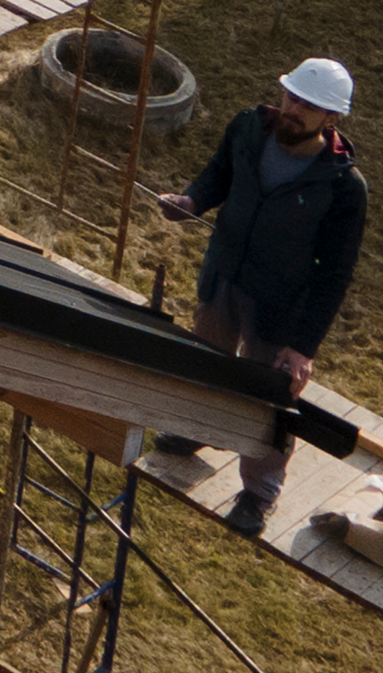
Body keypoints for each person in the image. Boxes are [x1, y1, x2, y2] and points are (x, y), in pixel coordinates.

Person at [152, 55, 371, 533]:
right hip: (223, 279)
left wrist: (304, 347)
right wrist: (192, 200)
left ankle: (257, 494)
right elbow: (219, 173)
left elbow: (335, 273)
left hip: (279, 308)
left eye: (308, 106)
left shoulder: (343, 187)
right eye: (292, 96)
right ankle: (197, 430)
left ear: (331, 119)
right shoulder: (249, 128)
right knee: (205, 364)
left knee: (269, 400)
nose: (293, 109)